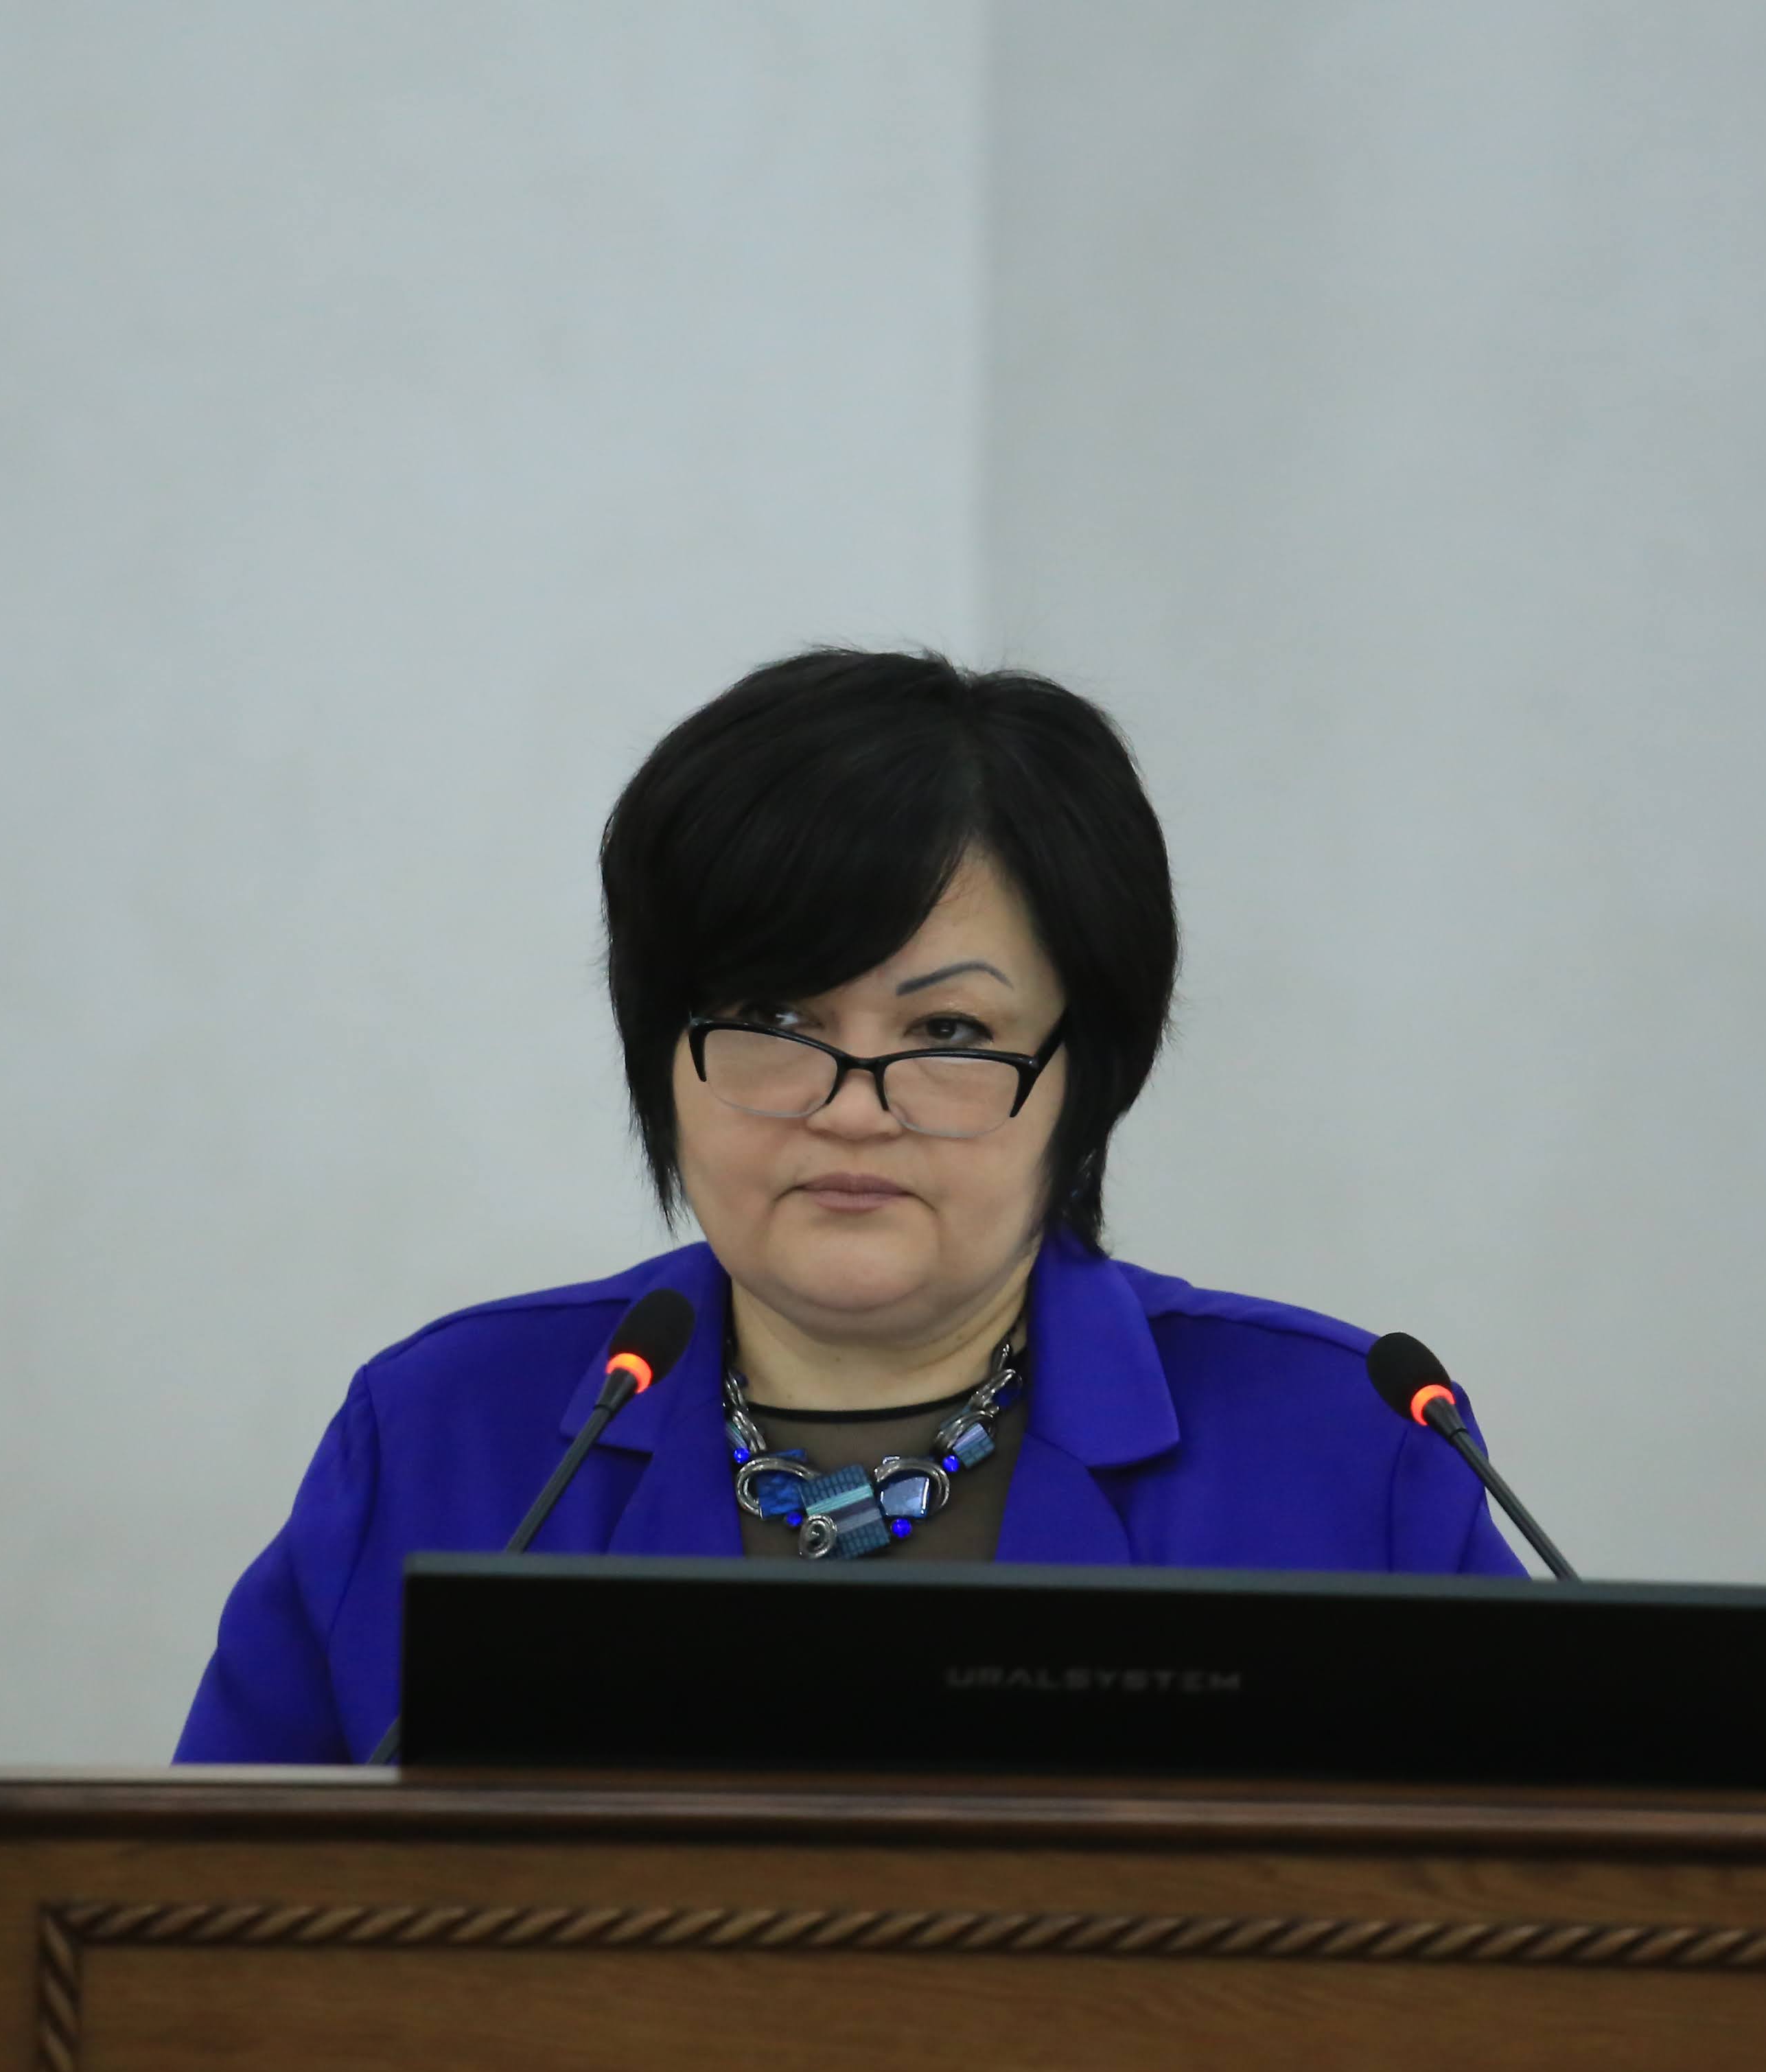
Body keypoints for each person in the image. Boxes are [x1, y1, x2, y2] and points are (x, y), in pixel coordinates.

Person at [176, 649, 1518, 1764]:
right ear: (663, 1053)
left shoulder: (1347, 1454)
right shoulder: (440, 1439)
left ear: (1085, 1073)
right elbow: (204, 1940)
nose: (853, 1106)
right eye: (774, 1019)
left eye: (948, 1029)